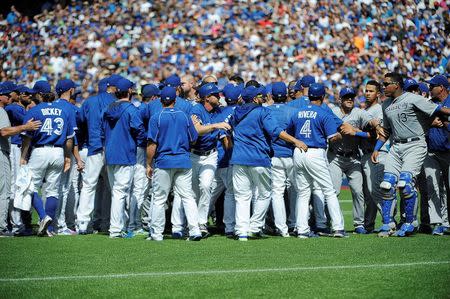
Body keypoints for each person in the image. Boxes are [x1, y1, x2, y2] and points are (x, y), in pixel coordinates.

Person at [372, 73, 450, 237]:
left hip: (415, 145)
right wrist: (377, 148)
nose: (383, 87)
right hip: (396, 146)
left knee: (405, 184)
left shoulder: (414, 99)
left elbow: (439, 110)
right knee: (387, 185)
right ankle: (387, 224)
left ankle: (409, 222)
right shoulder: (386, 104)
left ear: (397, 85)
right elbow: (386, 131)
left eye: (386, 84)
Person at [229, 85, 307, 241]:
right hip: (258, 158)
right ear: (255, 98)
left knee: (242, 196)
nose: (264, 98)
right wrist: (295, 141)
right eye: (261, 96)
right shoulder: (262, 111)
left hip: (238, 158)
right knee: (265, 194)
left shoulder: (235, 112)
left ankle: (241, 231)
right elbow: (276, 131)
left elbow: (229, 131)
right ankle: (255, 226)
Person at [286, 83, 346, 238]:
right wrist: (341, 135)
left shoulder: (297, 113)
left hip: (298, 151)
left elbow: (289, 134)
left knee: (303, 193)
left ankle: (302, 230)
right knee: (329, 191)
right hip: (315, 152)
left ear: (309, 95)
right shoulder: (324, 113)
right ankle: (338, 228)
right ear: (322, 96)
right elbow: (332, 138)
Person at [173, 83, 231, 238]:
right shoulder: (196, 109)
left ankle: (201, 222)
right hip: (193, 154)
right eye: (216, 95)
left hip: (211, 155)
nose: (219, 97)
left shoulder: (219, 110)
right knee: (191, 191)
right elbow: (197, 130)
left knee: (206, 187)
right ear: (206, 97)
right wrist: (216, 125)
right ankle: (187, 224)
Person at [146, 86, 202, 241]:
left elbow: (152, 145)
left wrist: (148, 164)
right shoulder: (184, 116)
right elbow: (194, 137)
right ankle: (195, 230)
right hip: (183, 160)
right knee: (187, 197)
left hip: (164, 162)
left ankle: (156, 234)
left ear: (160, 100)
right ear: (175, 100)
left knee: (159, 199)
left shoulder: (156, 117)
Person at [20, 81, 75, 237]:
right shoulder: (62, 111)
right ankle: (50, 229)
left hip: (40, 151)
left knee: (29, 187)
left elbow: (27, 138)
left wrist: (23, 156)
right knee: (52, 191)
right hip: (58, 151)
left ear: (39, 94)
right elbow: (70, 138)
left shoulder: (34, 111)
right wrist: (67, 157)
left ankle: (44, 217)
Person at [328, 87, 380, 234]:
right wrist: (336, 135)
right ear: (340, 100)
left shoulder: (359, 112)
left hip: (353, 157)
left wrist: (375, 125)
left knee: (358, 191)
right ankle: (333, 223)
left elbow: (372, 121)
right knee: (334, 191)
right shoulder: (333, 112)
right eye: (346, 97)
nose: (349, 99)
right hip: (335, 156)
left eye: (352, 97)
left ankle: (359, 224)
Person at [102, 78, 145, 238]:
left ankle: (118, 226)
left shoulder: (107, 108)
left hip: (110, 154)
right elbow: (139, 130)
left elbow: (101, 130)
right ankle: (115, 229)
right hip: (126, 153)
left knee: (117, 192)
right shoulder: (131, 109)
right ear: (129, 92)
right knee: (121, 193)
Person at [76, 75, 118, 234]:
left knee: (88, 185)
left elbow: (80, 121)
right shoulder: (115, 102)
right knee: (112, 187)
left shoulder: (88, 102)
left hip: (93, 147)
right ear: (110, 87)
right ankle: (110, 224)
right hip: (112, 148)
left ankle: (82, 224)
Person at [0, 83, 41, 237]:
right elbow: (4, 131)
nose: (29, 96)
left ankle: (15, 223)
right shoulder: (10, 109)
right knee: (9, 189)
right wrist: (26, 125)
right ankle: (11, 225)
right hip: (10, 149)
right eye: (25, 94)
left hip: (13, 148)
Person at [209, 83, 241, 237]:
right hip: (231, 160)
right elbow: (227, 140)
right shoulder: (242, 111)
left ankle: (196, 222)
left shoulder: (220, 113)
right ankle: (230, 226)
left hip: (217, 158)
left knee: (208, 194)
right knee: (231, 194)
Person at [265, 81, 297, 237]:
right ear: (285, 95)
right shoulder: (292, 110)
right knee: (295, 191)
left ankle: (282, 228)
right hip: (291, 155)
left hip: (273, 155)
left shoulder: (266, 111)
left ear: (271, 95)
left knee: (277, 192)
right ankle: (294, 223)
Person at [54, 79, 83, 235]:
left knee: (51, 189)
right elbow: (72, 138)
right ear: (71, 90)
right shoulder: (70, 108)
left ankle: (50, 222)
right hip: (64, 151)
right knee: (64, 189)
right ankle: (60, 225)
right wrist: (75, 157)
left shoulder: (51, 105)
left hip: (47, 150)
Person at [360, 80, 387, 233]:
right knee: (368, 194)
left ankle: (388, 220)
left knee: (375, 190)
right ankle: (368, 224)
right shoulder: (366, 109)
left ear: (378, 94)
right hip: (365, 153)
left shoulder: (379, 109)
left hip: (376, 153)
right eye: (366, 91)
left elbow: (379, 133)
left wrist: (356, 131)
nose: (367, 93)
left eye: (371, 91)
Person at [423, 75, 450, 235]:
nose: (430, 89)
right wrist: (430, 123)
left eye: (432, 86)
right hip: (431, 151)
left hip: (448, 151)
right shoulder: (428, 104)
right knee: (433, 187)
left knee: (448, 188)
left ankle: (446, 221)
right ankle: (438, 222)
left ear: (441, 87)